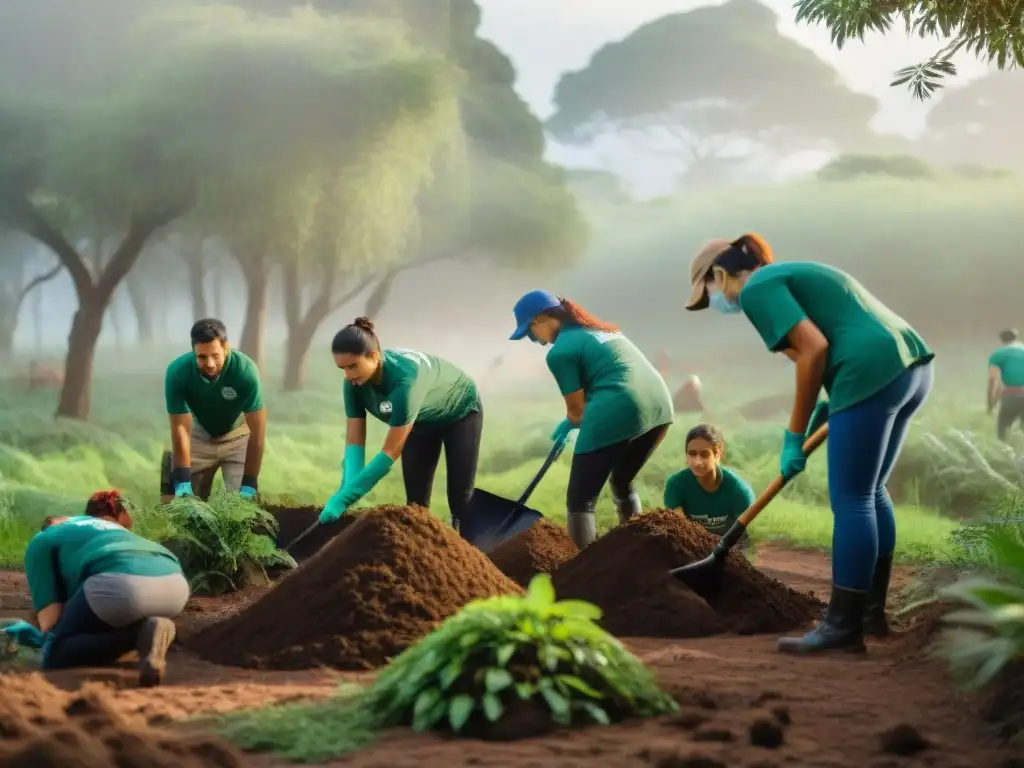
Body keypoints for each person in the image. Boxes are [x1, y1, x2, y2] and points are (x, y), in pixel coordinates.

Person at [686, 234, 934, 655]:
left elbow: (812, 352)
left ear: (722, 275)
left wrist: (793, 437)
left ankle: (842, 628)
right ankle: (870, 615)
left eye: (708, 290)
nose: (714, 300)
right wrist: (831, 403)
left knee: (853, 498)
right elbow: (833, 335)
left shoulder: (757, 289)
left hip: (867, 370)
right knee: (872, 492)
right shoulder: (792, 274)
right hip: (909, 369)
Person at [509, 290, 674, 549]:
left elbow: (578, 412)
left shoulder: (559, 352)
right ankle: (641, 552)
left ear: (541, 318)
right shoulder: (603, 331)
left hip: (619, 408)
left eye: (530, 332)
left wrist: (570, 422)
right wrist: (574, 420)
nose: (534, 340)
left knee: (580, 499)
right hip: (660, 409)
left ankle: (581, 570)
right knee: (621, 481)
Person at [321, 317, 483, 532]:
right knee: (415, 505)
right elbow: (354, 443)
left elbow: (390, 451)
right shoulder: (352, 384)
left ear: (374, 356)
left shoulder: (405, 382)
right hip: (419, 422)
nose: (348, 375)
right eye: (342, 368)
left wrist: (345, 498)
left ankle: (468, 551)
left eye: (353, 366)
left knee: (460, 499)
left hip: (460, 413)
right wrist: (346, 490)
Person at [23, 490, 189, 686]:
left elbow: (49, 622)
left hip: (121, 584)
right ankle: (158, 628)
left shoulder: (43, 539)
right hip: (175, 585)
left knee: (55, 650)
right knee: (107, 607)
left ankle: (138, 634)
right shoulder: (112, 529)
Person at [161, 318, 267, 503]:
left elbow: (257, 432)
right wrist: (183, 481)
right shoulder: (177, 372)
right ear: (194, 351)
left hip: (237, 436)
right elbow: (179, 428)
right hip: (198, 434)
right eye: (202, 357)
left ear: (226, 347)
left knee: (245, 509)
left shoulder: (245, 371)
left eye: (215, 355)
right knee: (176, 505)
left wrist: (249, 484)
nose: (210, 364)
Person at [663, 424, 755, 547]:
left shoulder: (739, 490)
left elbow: (740, 533)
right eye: (692, 454)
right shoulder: (676, 485)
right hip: (693, 543)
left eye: (704, 454)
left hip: (730, 545)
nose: (697, 462)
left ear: (717, 454)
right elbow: (680, 528)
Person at [987, 327, 1024, 443]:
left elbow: (993, 381)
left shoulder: (998, 354)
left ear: (1002, 340)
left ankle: (1008, 456)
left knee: (1003, 432)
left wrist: (990, 405)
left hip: (1011, 396)